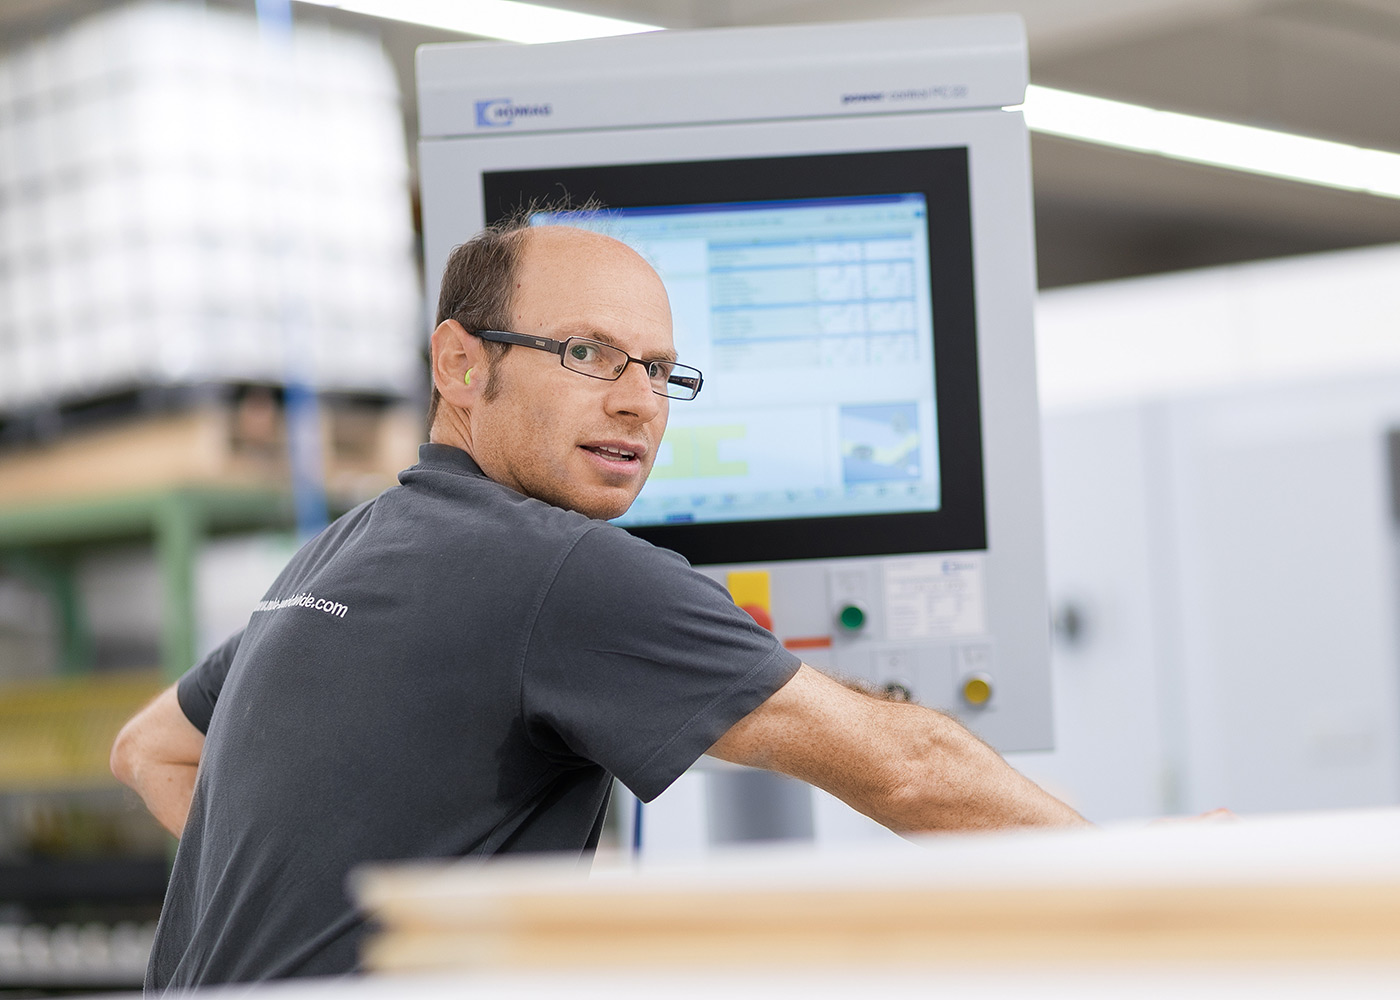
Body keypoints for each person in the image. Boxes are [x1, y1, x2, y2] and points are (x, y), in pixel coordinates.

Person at [111, 220, 1087, 990]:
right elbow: (912, 768)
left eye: (660, 371)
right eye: (589, 353)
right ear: (459, 363)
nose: (639, 403)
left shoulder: (341, 549)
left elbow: (149, 749)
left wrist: (358, 924)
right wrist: (1128, 868)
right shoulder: (558, 567)